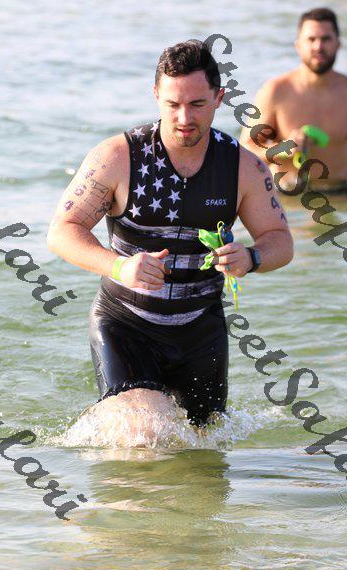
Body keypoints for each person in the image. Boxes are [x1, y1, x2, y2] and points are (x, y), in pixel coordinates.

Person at [47, 40, 293, 443]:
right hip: (127, 324)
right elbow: (62, 231)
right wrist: (119, 266)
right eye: (172, 104)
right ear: (156, 95)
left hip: (201, 331)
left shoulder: (243, 168)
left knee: (205, 452)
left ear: (219, 98)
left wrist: (251, 257)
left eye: (197, 104)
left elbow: (280, 240)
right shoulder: (117, 157)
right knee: (143, 435)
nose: (184, 118)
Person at [240, 7, 347, 193]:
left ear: (338, 44)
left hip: (342, 194)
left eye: (326, 39)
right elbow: (244, 153)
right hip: (289, 198)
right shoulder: (276, 91)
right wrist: (281, 150)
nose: (318, 46)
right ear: (298, 45)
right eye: (311, 39)